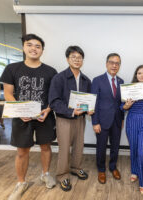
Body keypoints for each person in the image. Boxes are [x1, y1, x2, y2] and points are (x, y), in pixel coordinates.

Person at [0, 34, 57, 200]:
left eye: (38, 46)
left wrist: (47, 110)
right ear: (24, 48)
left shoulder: (50, 71)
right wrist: (20, 111)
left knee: (46, 147)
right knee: (22, 151)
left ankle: (45, 174)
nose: (34, 48)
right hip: (21, 116)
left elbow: (53, 96)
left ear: (42, 50)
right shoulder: (12, 69)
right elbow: (8, 94)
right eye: (30, 45)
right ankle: (21, 183)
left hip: (43, 116)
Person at [49, 46, 93, 191]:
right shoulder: (59, 78)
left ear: (83, 61)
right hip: (64, 119)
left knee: (79, 146)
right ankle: (62, 175)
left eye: (79, 57)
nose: (77, 60)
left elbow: (88, 100)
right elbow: (54, 101)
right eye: (73, 57)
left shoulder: (86, 80)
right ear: (68, 59)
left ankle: (75, 167)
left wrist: (90, 109)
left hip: (80, 119)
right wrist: (71, 111)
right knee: (64, 148)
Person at [91, 53, 124, 184]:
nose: (114, 65)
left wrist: (121, 119)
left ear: (119, 66)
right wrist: (95, 122)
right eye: (112, 62)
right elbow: (94, 102)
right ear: (106, 64)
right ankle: (101, 170)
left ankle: (112, 167)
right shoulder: (97, 80)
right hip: (102, 121)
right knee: (101, 147)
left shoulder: (121, 82)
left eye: (117, 63)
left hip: (117, 121)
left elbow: (121, 103)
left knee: (115, 146)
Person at [121, 65, 143, 194]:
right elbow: (121, 107)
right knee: (134, 149)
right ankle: (135, 171)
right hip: (132, 121)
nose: (141, 75)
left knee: (142, 153)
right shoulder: (129, 89)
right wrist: (126, 105)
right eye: (139, 73)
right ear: (136, 75)